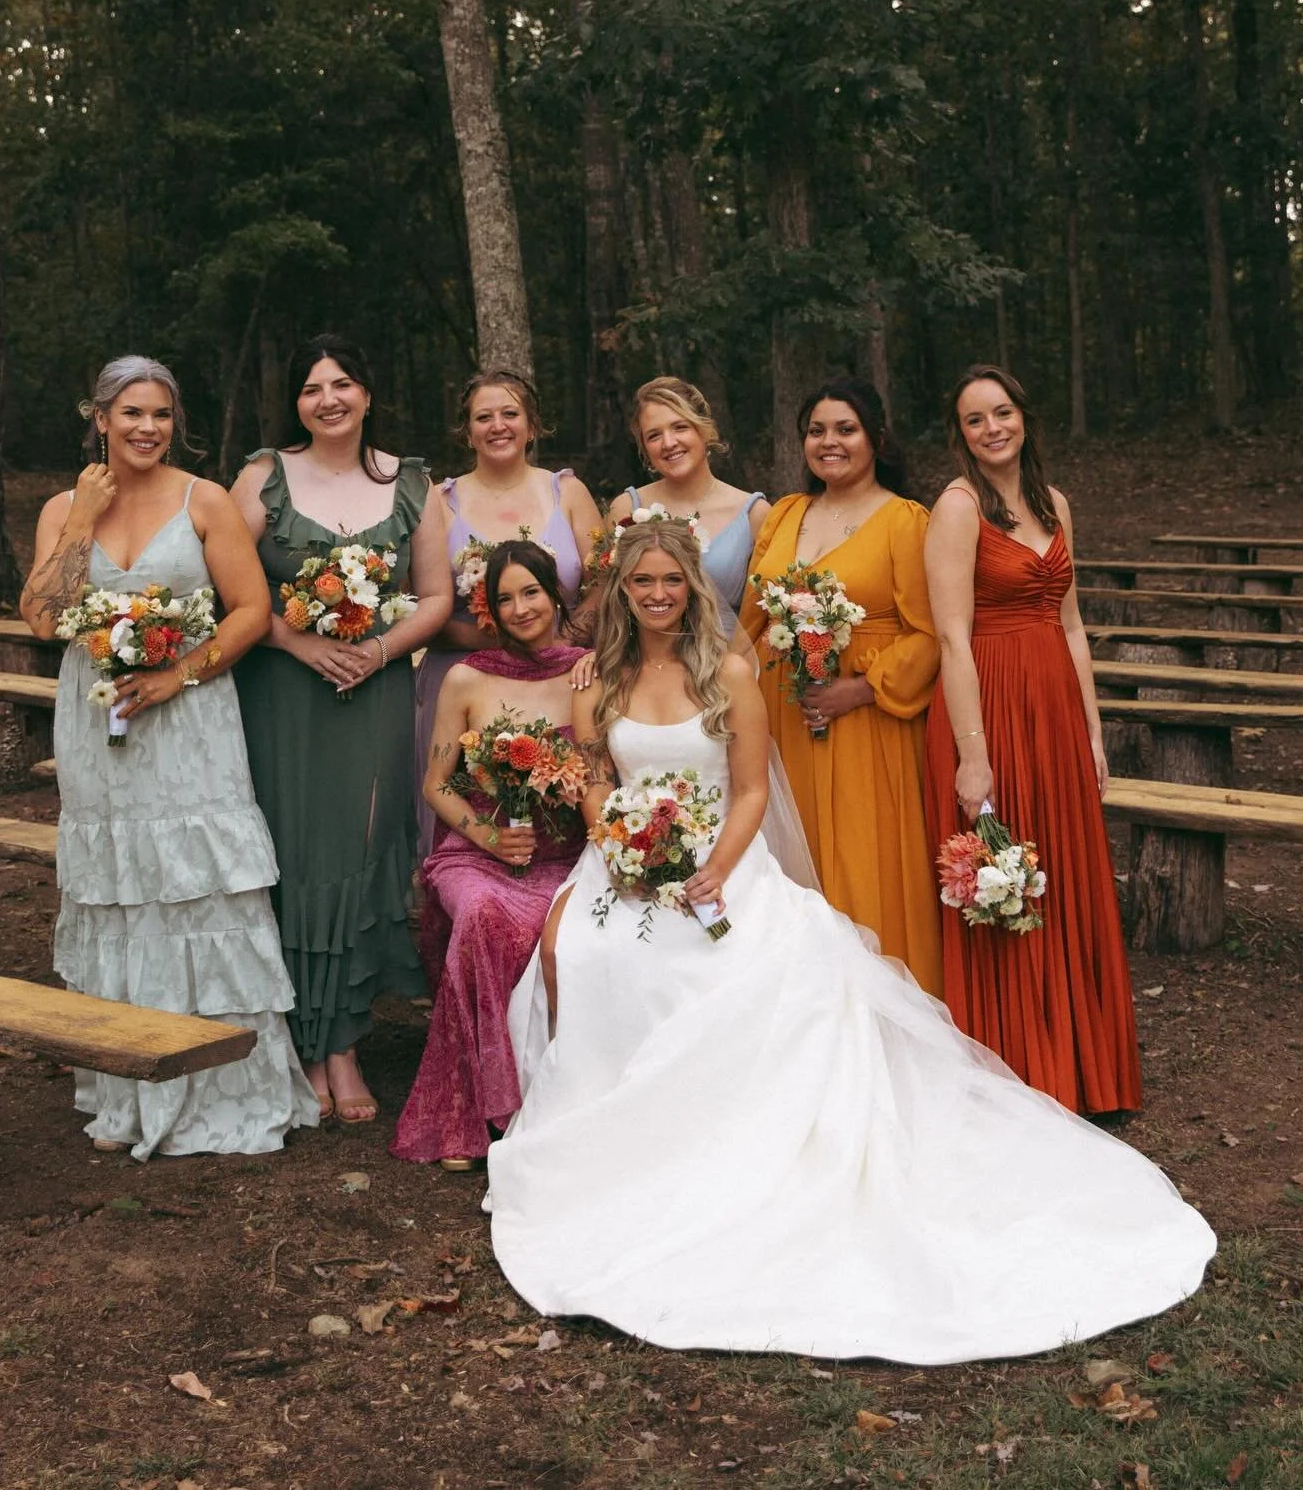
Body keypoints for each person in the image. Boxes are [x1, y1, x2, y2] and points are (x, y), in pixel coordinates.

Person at [486, 521, 1212, 1362]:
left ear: (690, 588)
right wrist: (618, 844)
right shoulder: (600, 680)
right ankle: (606, 1148)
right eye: (640, 582)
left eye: (670, 581)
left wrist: (713, 868)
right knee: (587, 951)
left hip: (722, 862)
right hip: (624, 863)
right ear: (622, 591)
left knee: (721, 962)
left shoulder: (728, 673)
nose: (655, 594)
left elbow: (752, 789)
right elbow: (595, 778)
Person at [20, 355, 317, 1159]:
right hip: (97, 720)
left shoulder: (205, 500)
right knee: (120, 891)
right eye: (131, 414)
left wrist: (173, 674)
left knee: (199, 885)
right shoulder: (63, 506)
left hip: (189, 717)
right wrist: (83, 513)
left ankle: (221, 1080)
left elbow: (252, 611)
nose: (146, 427)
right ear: (101, 419)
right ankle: (125, 1079)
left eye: (159, 414)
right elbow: (45, 620)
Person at [230, 336, 452, 1123]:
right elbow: (226, 573)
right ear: (296, 403)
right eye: (312, 387)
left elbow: (436, 596)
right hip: (283, 690)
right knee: (291, 851)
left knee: (361, 852)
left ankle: (346, 1041)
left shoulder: (413, 483)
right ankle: (298, 1041)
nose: (328, 398)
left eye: (343, 383)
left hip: (375, 692)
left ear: (367, 395)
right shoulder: (263, 476)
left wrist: (377, 649)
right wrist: (299, 640)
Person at [922, 364, 1141, 1115]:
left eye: (1002, 411)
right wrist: (974, 753)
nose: (992, 428)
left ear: (1024, 416)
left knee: (1068, 879)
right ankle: (1022, 1074)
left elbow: (1073, 624)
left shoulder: (1054, 503)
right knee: (1007, 883)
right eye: (975, 419)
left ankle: (1085, 1069)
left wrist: (1093, 729)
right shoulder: (955, 509)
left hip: (1054, 706)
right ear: (961, 434)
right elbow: (953, 636)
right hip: (992, 705)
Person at [737, 377, 942, 993]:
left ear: (876, 437)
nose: (830, 442)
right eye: (817, 430)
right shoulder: (784, 514)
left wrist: (858, 689)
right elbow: (749, 621)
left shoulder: (906, 521)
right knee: (791, 868)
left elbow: (928, 634)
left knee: (864, 864)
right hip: (782, 718)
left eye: (845, 429)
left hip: (867, 720)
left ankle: (881, 1013)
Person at [392, 542, 587, 1169]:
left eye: (531, 591)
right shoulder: (467, 677)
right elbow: (437, 783)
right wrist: (487, 836)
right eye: (505, 598)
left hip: (564, 859)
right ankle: (475, 1112)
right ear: (490, 610)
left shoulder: (589, 670)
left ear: (556, 594)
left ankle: (548, 1100)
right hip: (477, 856)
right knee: (481, 918)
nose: (521, 607)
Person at [414, 371, 600, 844]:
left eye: (510, 414)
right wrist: (501, 639)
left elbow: (605, 581)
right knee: (475, 812)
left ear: (532, 426)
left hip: (565, 678)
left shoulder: (568, 492)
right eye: (484, 417)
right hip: (465, 681)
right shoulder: (438, 502)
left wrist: (565, 640)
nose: (498, 426)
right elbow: (423, 605)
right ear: (467, 431)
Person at [607, 376, 768, 627]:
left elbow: (761, 616)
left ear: (704, 430)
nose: (669, 443)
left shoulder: (754, 514)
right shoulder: (626, 507)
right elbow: (608, 604)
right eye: (654, 436)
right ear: (644, 449)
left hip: (727, 660)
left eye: (680, 427)